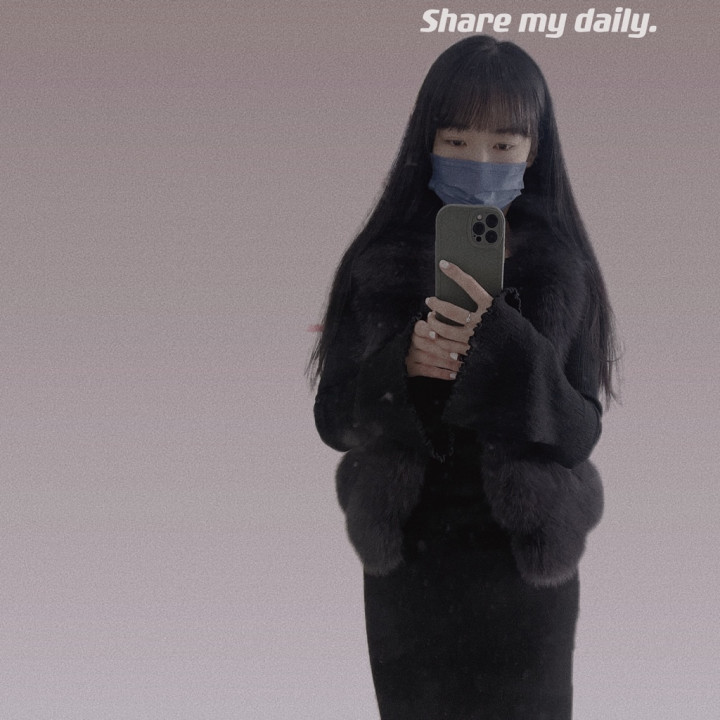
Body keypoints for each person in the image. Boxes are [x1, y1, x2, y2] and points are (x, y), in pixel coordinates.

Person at [309, 35, 617, 720]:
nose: (480, 162)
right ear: (426, 141)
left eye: (504, 144)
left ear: (534, 151)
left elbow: (580, 433)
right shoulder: (379, 262)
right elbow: (334, 420)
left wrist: (508, 343)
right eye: (457, 140)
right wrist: (402, 369)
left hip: (525, 560)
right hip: (409, 556)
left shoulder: (561, 269)